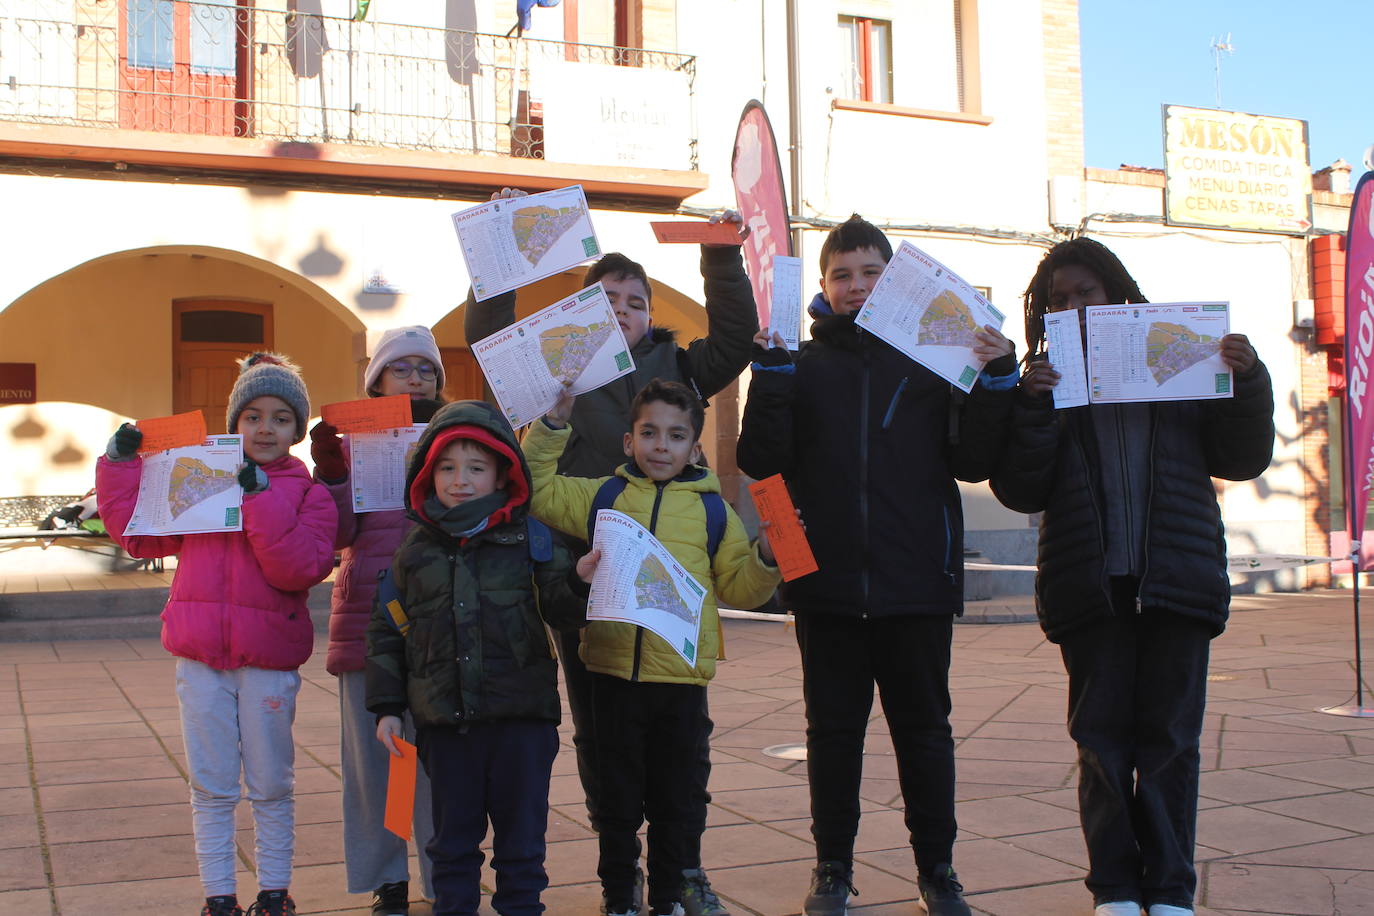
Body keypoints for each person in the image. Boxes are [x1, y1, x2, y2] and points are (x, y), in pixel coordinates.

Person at [464, 188, 758, 916]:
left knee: (681, 738)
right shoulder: (556, 365)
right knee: (602, 732)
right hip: (581, 576)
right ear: (586, 309)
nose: (622, 309)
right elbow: (488, 337)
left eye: (634, 299)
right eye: (608, 298)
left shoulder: (680, 369)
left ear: (650, 313)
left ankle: (681, 871)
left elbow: (737, 337)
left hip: (671, 586)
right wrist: (500, 249)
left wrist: (721, 253)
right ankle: (617, 872)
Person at [735, 215, 1017, 916]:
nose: (856, 286)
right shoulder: (800, 364)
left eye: (871, 273)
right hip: (826, 589)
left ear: (894, 281)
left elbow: (975, 460)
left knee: (925, 733)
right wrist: (768, 374)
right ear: (824, 287)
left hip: (915, 583)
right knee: (832, 736)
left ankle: (938, 870)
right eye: (842, 275)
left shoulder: (933, 359)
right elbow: (760, 460)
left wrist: (995, 378)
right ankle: (832, 868)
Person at [989, 237, 1274, 916]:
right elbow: (1021, 490)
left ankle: (1170, 889)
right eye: (1059, 299)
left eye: (1086, 292)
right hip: (1091, 585)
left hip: (1176, 579)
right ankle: (1115, 888)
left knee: (1170, 744)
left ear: (1117, 293)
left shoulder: (1178, 359)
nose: (1074, 306)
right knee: (1100, 744)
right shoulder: (1046, 382)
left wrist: (1247, 380)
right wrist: (1032, 409)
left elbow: (1241, 458)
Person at [525, 379, 781, 916]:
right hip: (611, 676)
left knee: (678, 800)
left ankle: (667, 896)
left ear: (694, 447)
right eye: (649, 433)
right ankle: (619, 893)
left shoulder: (715, 514)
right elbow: (538, 487)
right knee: (616, 801)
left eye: (675, 435)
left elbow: (739, 587)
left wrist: (765, 558)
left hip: (681, 686)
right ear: (628, 441)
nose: (660, 446)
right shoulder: (603, 496)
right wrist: (552, 426)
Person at [96, 353, 338, 916]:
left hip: (268, 661)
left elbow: (298, 568)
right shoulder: (198, 479)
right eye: (252, 416)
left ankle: (275, 891)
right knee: (211, 784)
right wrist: (119, 465)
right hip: (200, 656)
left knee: (271, 781)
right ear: (235, 423)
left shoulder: (308, 494)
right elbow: (138, 533)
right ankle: (219, 896)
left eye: (281, 418)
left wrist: (257, 499)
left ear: (296, 431)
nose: (265, 428)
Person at [366, 399, 595, 916]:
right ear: (427, 473)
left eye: (475, 467)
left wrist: (579, 582)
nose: (460, 479)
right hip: (446, 728)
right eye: (447, 467)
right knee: (452, 845)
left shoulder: (532, 539)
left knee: (521, 846)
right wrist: (386, 706)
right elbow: (386, 630)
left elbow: (561, 610)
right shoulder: (415, 551)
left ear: (501, 473)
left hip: (522, 724)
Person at [309, 325, 445, 916]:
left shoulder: (455, 432)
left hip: (442, 614)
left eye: (426, 368)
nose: (415, 377)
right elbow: (337, 535)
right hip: (367, 613)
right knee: (378, 762)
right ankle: (386, 876)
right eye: (401, 367)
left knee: (440, 762)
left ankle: (446, 874)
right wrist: (333, 474)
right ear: (376, 380)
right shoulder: (353, 442)